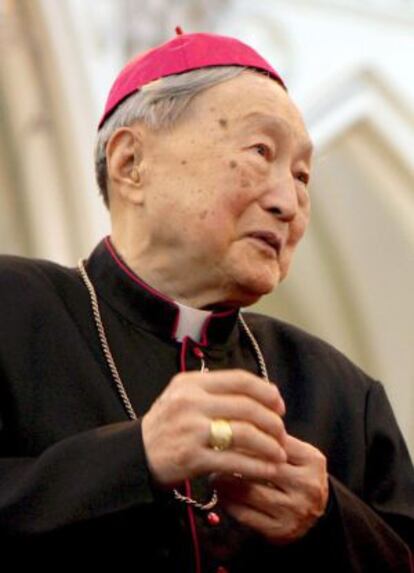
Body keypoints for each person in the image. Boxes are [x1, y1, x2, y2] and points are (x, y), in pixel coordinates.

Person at [0, 30, 413, 572]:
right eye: (260, 152)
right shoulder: (13, 310)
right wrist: (134, 458)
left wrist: (329, 519)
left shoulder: (341, 394)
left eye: (302, 176)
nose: (289, 202)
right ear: (131, 164)